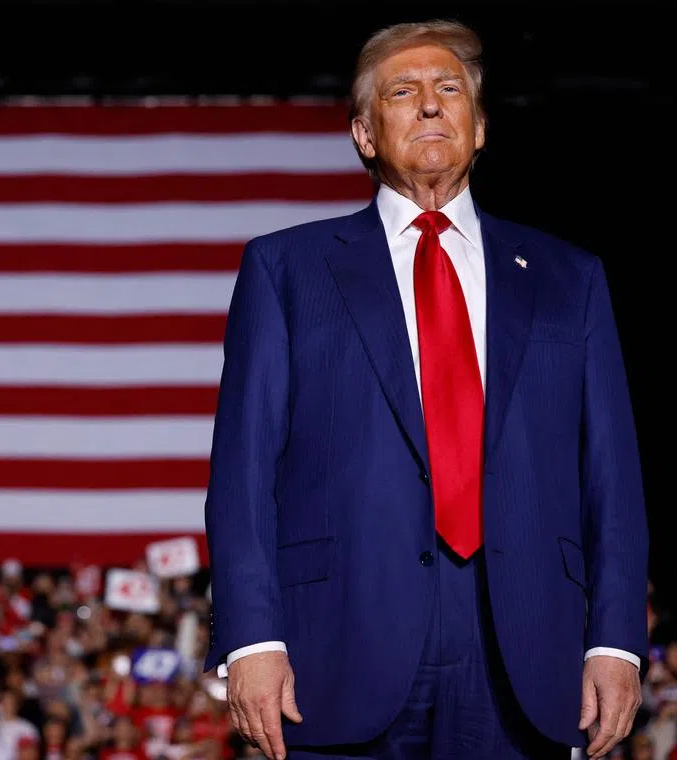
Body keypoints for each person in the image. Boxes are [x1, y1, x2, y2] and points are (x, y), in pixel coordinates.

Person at [203, 19, 649, 760]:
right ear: (364, 134)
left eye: (450, 91)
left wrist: (616, 643)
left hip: (525, 646)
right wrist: (251, 636)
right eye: (403, 92)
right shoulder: (287, 270)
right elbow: (243, 470)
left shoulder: (572, 277)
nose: (432, 105)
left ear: (479, 130)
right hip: (338, 645)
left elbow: (613, 476)